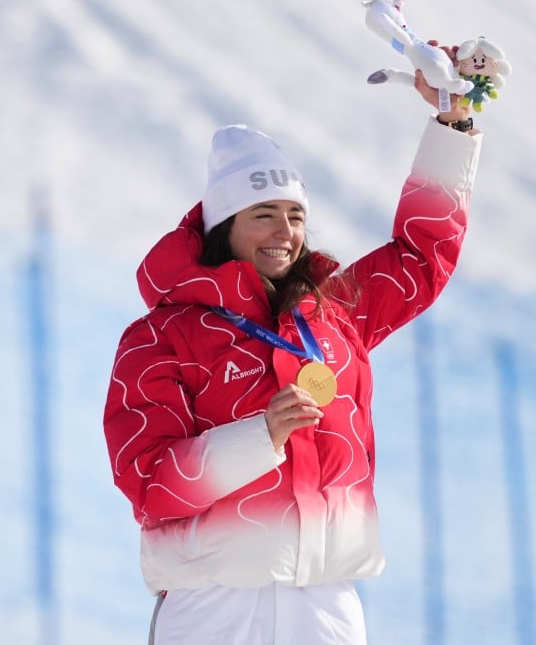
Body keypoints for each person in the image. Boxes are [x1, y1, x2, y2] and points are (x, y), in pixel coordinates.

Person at [103, 61, 481, 645]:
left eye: (295, 215)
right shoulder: (162, 336)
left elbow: (421, 255)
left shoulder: (337, 313)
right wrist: (260, 438)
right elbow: (149, 481)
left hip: (327, 603)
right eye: (263, 215)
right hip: (213, 605)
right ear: (224, 227)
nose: (285, 231)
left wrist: (452, 126)